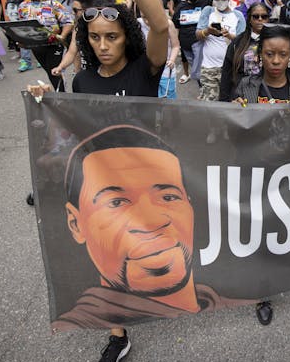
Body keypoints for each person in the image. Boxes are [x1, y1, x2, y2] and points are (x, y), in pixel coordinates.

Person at [28, 0, 170, 362]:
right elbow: (70, 136)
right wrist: (43, 100)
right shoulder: (82, 83)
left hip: (146, 181)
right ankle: (118, 335)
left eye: (112, 36)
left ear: (126, 35)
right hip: (105, 190)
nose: (104, 46)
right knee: (108, 260)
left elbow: (161, 24)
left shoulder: (146, 70)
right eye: (95, 39)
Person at [53, 125, 244, 329]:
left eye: (168, 197)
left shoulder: (228, 298)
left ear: (190, 204)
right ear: (76, 224)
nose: (152, 222)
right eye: (116, 203)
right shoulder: (81, 321)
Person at [231, 24, 290, 105]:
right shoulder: (246, 85)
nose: (276, 61)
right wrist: (235, 111)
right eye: (269, 54)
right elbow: (237, 120)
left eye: (283, 54)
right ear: (260, 54)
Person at [16, 0, 74, 90]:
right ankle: (60, 92)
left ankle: (61, 95)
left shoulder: (52, 3)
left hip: (54, 43)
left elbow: (68, 21)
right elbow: (21, 26)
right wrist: (22, 41)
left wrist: (63, 36)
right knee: (49, 70)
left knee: (54, 71)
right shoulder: (23, 6)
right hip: (35, 45)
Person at [195, 0, 246, 101]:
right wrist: (208, 31)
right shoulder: (208, 11)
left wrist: (230, 36)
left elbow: (243, 41)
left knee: (228, 102)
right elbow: (198, 35)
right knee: (209, 104)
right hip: (209, 68)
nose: (220, 1)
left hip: (230, 68)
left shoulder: (237, 16)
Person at [219, 3, 270, 101]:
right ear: (250, 19)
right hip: (241, 96)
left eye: (264, 16)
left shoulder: (275, 42)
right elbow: (226, 74)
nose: (260, 19)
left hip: (266, 95)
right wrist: (224, 101)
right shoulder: (237, 43)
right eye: (255, 16)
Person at [172, 0, 208, 84]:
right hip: (184, 42)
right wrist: (176, 43)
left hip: (198, 41)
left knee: (198, 67)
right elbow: (176, 25)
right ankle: (201, 85)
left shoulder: (203, 4)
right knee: (194, 65)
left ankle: (204, 86)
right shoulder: (181, 6)